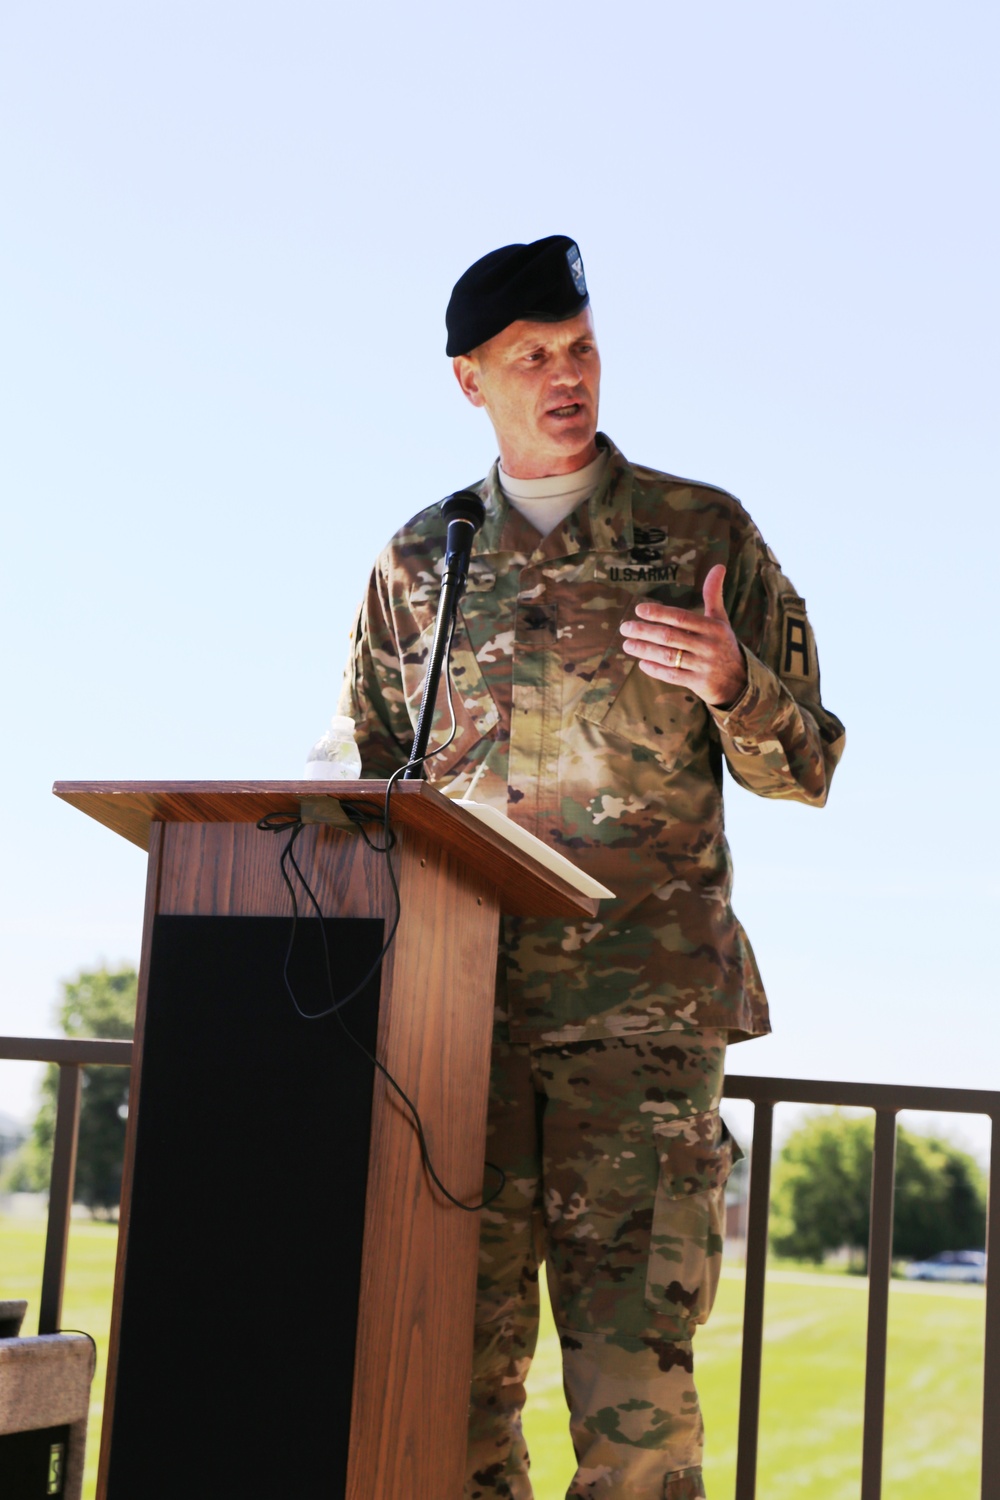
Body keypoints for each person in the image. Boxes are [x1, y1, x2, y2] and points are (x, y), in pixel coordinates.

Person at [339, 235, 845, 1500]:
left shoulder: (699, 532)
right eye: (532, 358)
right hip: (459, 1026)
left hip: (642, 1027)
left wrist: (734, 684)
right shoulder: (420, 563)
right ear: (472, 382)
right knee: (446, 1387)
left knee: (634, 1410)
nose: (566, 377)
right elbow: (365, 788)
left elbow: (810, 763)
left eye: (580, 350)